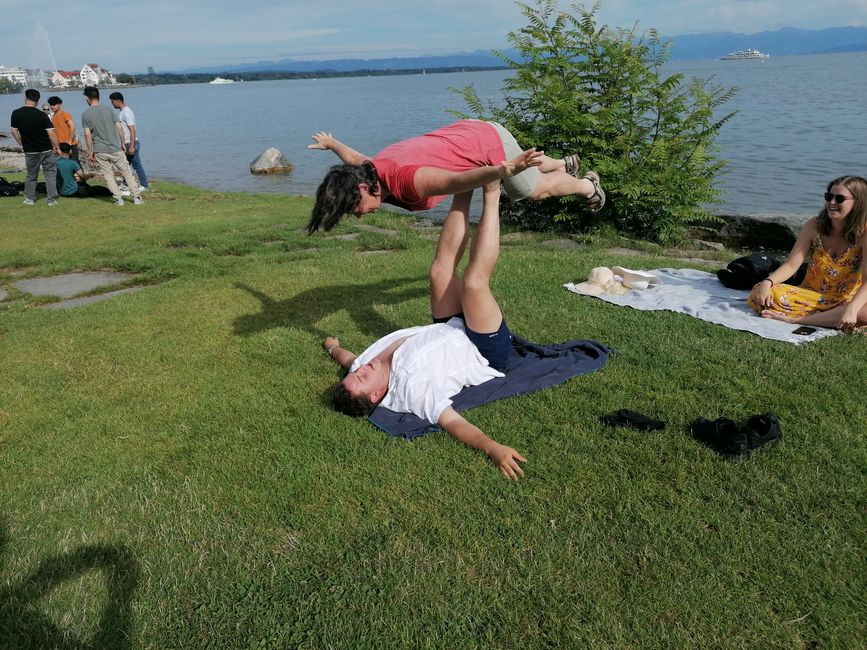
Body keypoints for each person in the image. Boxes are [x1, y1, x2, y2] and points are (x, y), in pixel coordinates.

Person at [323, 181, 527, 479]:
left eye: (354, 374)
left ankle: (465, 184)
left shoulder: (361, 368)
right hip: (481, 349)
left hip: (449, 327)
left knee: (439, 271)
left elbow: (345, 358)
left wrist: (331, 346)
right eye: (362, 378)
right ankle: (492, 192)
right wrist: (492, 447)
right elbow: (453, 423)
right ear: (379, 393)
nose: (360, 369)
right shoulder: (413, 392)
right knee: (473, 284)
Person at [306, 120, 604, 233]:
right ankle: (560, 164)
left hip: (485, 143)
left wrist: (502, 171)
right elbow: (354, 158)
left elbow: (457, 181)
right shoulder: (370, 171)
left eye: (353, 208)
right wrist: (332, 143)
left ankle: (586, 185)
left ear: (363, 188)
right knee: (523, 176)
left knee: (532, 191)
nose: (357, 215)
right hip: (467, 132)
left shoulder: (408, 180)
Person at [748, 175, 867, 330]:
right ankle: (826, 319)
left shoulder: (864, 233)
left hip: (848, 300)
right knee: (763, 292)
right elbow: (791, 265)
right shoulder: (814, 226)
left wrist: (852, 308)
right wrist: (766, 283)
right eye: (829, 196)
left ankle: (796, 320)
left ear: (858, 202)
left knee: (862, 312)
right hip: (809, 295)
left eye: (839, 199)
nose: (832, 203)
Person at [81, 86, 143, 206]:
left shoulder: (85, 114)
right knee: (126, 172)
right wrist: (122, 143)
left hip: (100, 150)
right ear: (98, 96)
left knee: (108, 175)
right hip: (115, 147)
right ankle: (137, 197)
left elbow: (87, 135)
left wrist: (90, 151)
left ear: (88, 98)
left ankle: (119, 199)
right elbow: (119, 128)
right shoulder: (109, 110)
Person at [10, 88, 60, 206]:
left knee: (31, 175)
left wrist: (21, 143)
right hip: (46, 149)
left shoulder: (16, 113)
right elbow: (51, 133)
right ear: (37, 101)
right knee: (50, 174)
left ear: (25, 99)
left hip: (30, 151)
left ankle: (30, 198)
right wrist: (57, 147)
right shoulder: (42, 115)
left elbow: (14, 131)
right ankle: (52, 199)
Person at [108, 91, 149, 191]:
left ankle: (144, 185)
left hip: (131, 143)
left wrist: (131, 146)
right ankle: (126, 184)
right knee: (125, 164)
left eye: (112, 102)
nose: (112, 104)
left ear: (118, 101)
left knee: (136, 164)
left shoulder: (127, 112)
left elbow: (132, 130)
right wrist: (122, 143)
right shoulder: (122, 112)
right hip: (126, 143)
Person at [47, 96, 80, 162]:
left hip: (70, 145)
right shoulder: (53, 117)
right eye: (51, 105)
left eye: (54, 104)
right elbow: (54, 133)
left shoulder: (64, 114)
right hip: (60, 146)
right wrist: (54, 146)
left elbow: (72, 127)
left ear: (59, 104)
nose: (52, 107)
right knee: (64, 165)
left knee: (75, 165)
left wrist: (70, 141)